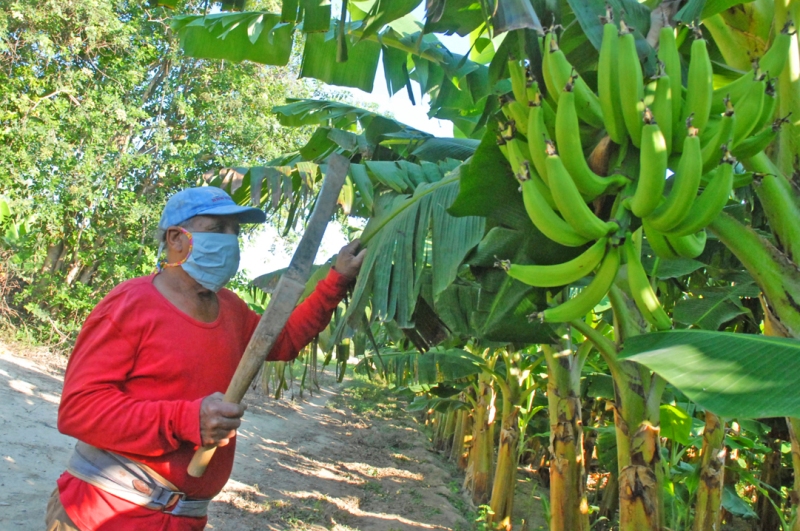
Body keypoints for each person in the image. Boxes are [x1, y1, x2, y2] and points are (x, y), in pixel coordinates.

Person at [45, 186, 365, 531]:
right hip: (106, 512)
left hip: (184, 519)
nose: (230, 241)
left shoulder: (230, 308)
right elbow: (79, 410)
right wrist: (186, 419)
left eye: (235, 232)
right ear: (176, 239)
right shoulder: (130, 303)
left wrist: (337, 281)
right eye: (217, 230)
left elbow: (282, 341)